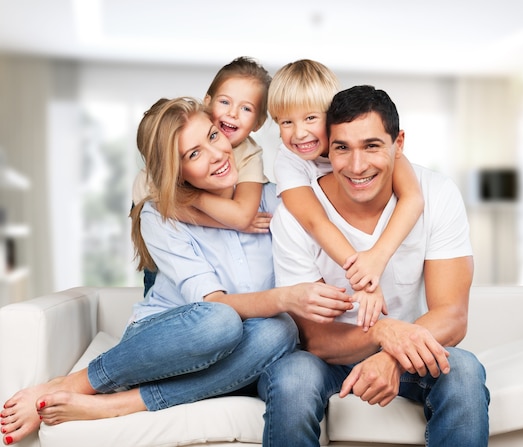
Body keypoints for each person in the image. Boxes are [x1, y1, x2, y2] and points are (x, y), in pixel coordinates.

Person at [0, 97, 353, 446]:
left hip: (248, 350)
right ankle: (71, 385)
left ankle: (122, 404)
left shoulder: (277, 200)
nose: (216, 155)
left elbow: (341, 179)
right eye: (193, 154)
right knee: (220, 320)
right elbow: (216, 304)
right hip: (170, 341)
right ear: (176, 170)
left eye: (213, 136)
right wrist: (285, 297)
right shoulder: (160, 216)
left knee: (280, 331)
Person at [259, 85, 490, 446]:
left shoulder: (437, 193)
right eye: (342, 148)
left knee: (462, 370)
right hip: (329, 359)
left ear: (398, 144)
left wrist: (392, 358)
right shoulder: (295, 216)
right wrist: (381, 333)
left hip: (409, 351)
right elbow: (316, 339)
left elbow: (453, 315)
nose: (357, 166)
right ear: (326, 148)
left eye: (371, 146)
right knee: (293, 377)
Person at [268, 60, 425, 330]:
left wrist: (377, 257)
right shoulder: (289, 161)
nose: (299, 133)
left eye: (310, 118)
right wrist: (364, 278)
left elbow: (413, 199)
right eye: (286, 122)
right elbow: (315, 221)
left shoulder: (369, 142)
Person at [133, 56, 273, 294]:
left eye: (246, 108)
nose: (232, 114)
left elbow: (241, 216)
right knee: (161, 284)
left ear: (258, 123)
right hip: (167, 243)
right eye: (225, 102)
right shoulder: (167, 156)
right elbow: (157, 207)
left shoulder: (248, 154)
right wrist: (225, 221)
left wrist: (190, 197)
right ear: (207, 103)